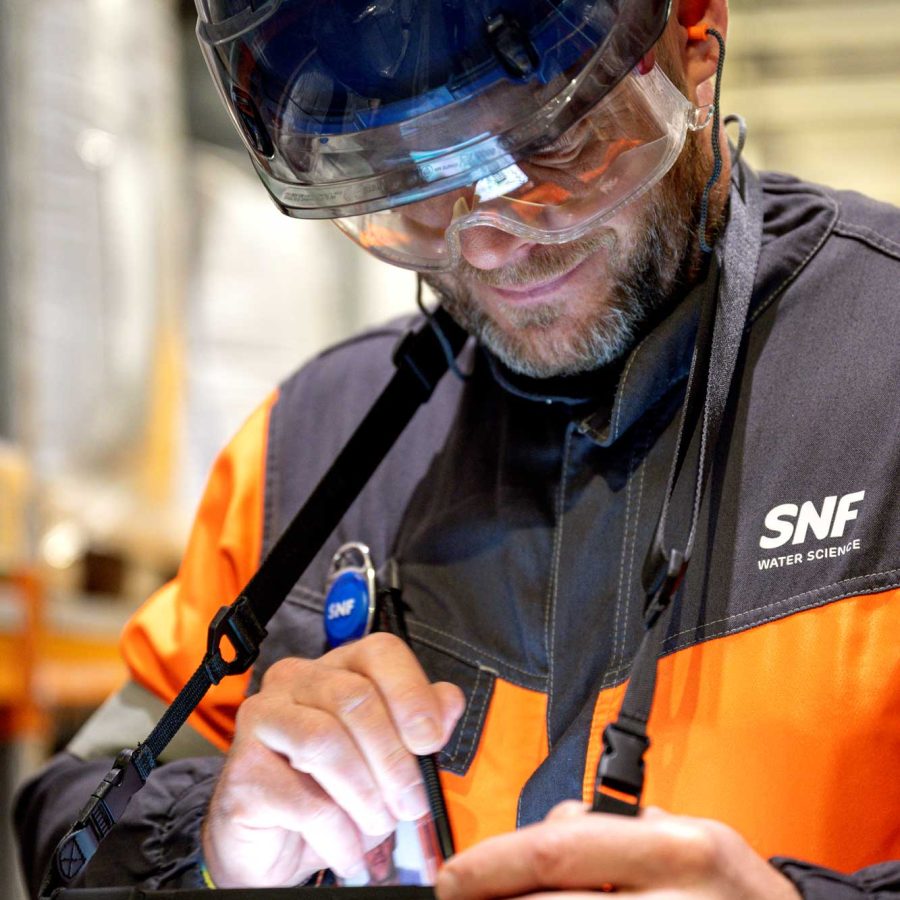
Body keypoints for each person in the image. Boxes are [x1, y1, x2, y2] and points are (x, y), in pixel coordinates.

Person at [15, 0, 900, 897]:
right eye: (414, 182)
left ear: (694, 33)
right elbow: (80, 806)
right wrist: (210, 841)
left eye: (554, 145)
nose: (487, 243)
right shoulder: (308, 444)